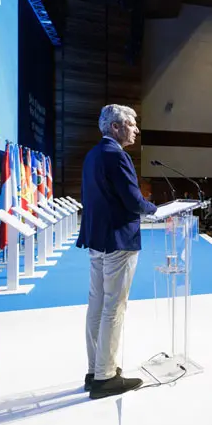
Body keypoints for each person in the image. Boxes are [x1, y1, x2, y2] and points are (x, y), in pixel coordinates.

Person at [77, 104, 156, 399]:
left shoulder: (92, 155)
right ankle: (106, 376)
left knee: (96, 307)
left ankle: (95, 369)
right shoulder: (116, 155)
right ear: (116, 127)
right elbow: (134, 201)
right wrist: (155, 210)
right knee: (114, 307)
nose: (136, 129)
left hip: (98, 241)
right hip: (118, 242)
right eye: (132, 124)